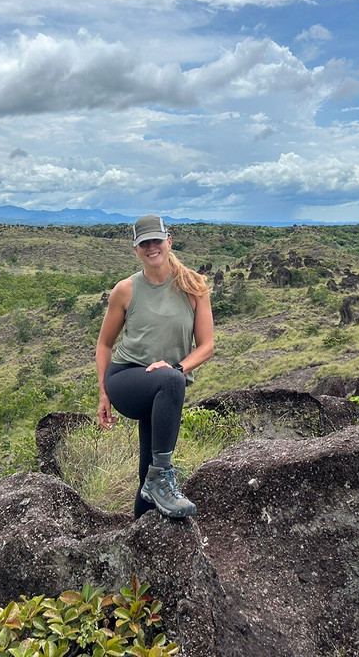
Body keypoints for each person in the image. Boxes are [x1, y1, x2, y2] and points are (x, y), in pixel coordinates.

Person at [96, 215, 214, 519]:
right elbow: (105, 345)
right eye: (144, 243)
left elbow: (207, 346)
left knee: (148, 473)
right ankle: (162, 477)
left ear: (169, 241)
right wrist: (103, 395)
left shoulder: (193, 286)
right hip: (126, 379)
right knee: (173, 380)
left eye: (156, 241)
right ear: (136, 250)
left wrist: (176, 366)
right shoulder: (126, 290)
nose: (152, 248)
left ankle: (141, 533)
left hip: (162, 388)